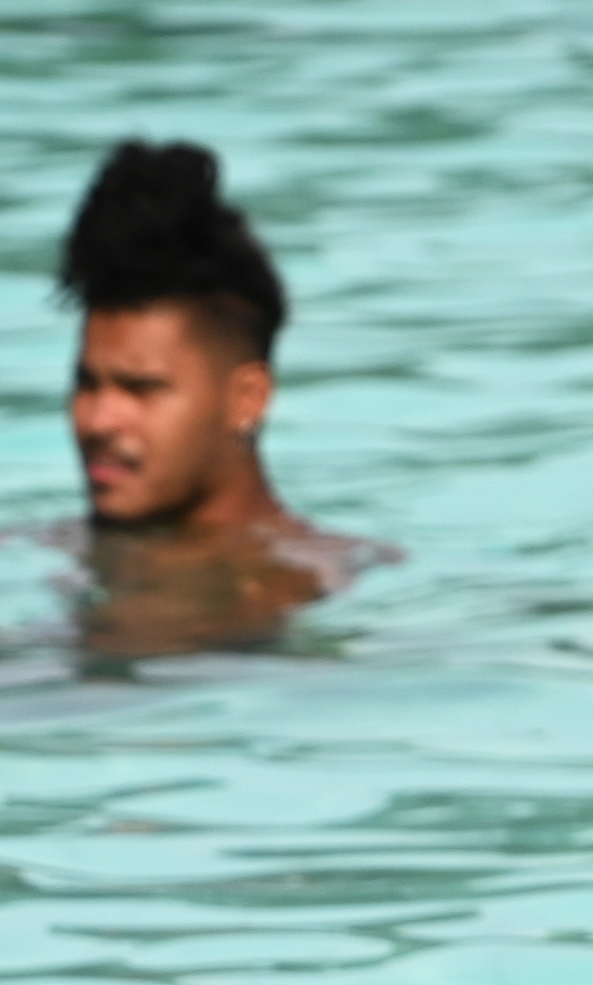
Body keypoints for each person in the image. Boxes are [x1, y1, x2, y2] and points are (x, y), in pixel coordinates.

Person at [54, 139, 381, 659]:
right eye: (87, 384)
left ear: (247, 399)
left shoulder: (303, 581)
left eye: (142, 390)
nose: (99, 420)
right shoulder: (42, 546)